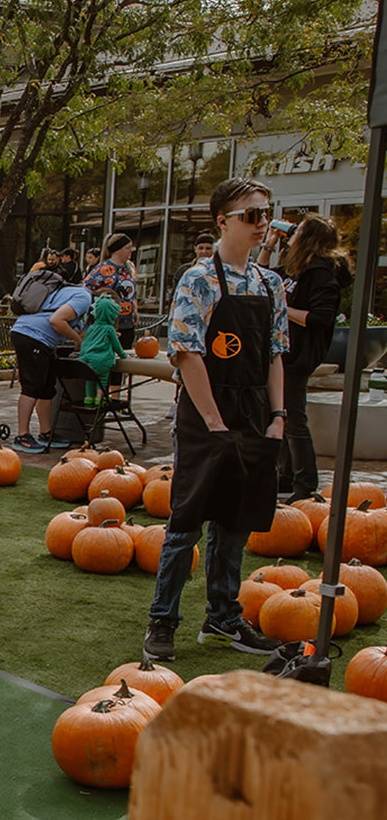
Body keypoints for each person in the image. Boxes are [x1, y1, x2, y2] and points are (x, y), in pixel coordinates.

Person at [143, 176, 289, 662]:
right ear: (222, 220)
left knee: (236, 519)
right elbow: (185, 353)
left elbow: (274, 356)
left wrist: (278, 417)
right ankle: (163, 621)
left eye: (266, 213)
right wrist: (213, 422)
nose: (262, 223)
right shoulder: (199, 278)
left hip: (254, 415)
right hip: (207, 414)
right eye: (252, 215)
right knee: (187, 520)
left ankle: (223, 619)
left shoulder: (271, 284)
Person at [265, 215, 350, 501]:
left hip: (298, 355)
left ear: (309, 238)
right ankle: (285, 477)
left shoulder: (322, 275)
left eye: (297, 230)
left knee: (293, 418)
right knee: (284, 416)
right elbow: (262, 278)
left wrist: (282, 308)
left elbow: (319, 318)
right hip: (283, 352)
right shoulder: (297, 269)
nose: (292, 234)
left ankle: (304, 484)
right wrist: (268, 244)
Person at [8, 283, 92, 452]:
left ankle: (46, 432)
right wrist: (78, 340)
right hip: (32, 335)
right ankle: (22, 436)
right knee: (31, 387)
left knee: (47, 388)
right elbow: (56, 320)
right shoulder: (84, 297)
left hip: (39, 337)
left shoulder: (74, 295)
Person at [84, 233, 139, 349]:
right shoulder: (102, 270)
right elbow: (86, 289)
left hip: (127, 323)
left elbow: (133, 291)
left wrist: (135, 308)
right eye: (127, 248)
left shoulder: (129, 268)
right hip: (109, 324)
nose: (131, 251)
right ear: (117, 250)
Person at [78, 295, 126, 405]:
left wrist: (83, 354)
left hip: (88, 360)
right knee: (102, 381)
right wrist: (123, 355)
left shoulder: (91, 328)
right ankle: (100, 398)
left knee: (90, 380)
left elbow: (85, 343)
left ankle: (89, 397)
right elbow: (116, 345)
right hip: (103, 360)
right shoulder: (109, 329)